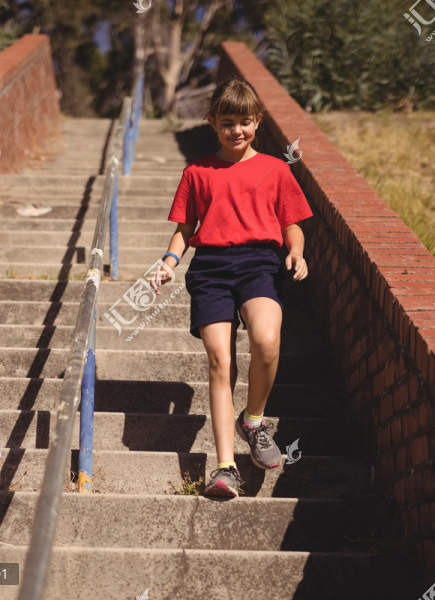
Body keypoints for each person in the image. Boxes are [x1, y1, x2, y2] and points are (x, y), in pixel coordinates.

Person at [149, 77, 313, 498]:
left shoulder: (276, 169)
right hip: (211, 270)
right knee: (220, 361)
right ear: (211, 122)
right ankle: (225, 468)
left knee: (267, 340)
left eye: (244, 121)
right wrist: (168, 263)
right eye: (226, 122)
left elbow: (292, 224)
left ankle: (254, 421)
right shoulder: (196, 171)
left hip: (259, 265)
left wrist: (296, 252)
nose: (235, 130)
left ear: (257, 121)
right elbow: (185, 231)